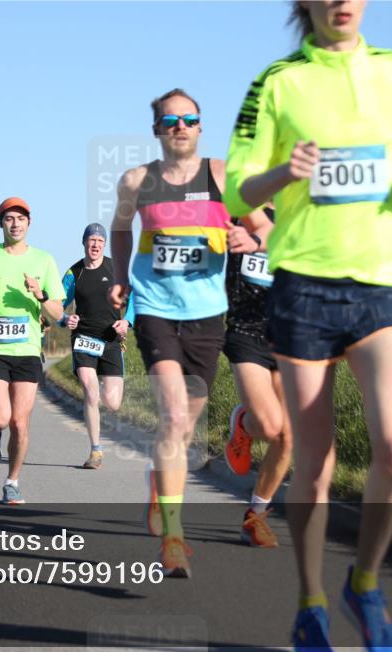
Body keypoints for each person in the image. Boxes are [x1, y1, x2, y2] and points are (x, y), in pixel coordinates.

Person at [225, 2, 392, 652]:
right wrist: (281, 172)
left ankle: (366, 583)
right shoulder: (278, 81)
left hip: (382, 282)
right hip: (305, 286)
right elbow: (237, 188)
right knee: (314, 464)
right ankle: (310, 605)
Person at [109, 88, 231, 577]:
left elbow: (262, 221)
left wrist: (251, 232)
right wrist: (120, 276)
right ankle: (175, 541)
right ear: (157, 129)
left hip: (208, 313)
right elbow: (120, 229)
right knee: (175, 413)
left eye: (189, 119)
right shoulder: (137, 180)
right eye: (170, 120)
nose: (180, 126)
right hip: (156, 308)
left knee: (184, 425)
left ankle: (160, 487)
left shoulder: (223, 175)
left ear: (201, 127)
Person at [0, 197, 65, 505]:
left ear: (29, 224)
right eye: (9, 219)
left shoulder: (44, 261)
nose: (15, 223)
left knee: (20, 422)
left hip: (28, 348)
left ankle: (12, 481)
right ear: (1, 224)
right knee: (1, 416)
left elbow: (57, 313)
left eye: (21, 218)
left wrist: (41, 294)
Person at [222, 204, 294, 548]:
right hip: (246, 329)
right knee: (268, 426)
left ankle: (255, 516)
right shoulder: (240, 209)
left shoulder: (304, 211)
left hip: (292, 333)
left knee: (288, 436)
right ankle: (244, 421)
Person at [59, 223, 131, 469]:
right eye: (92, 240)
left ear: (105, 245)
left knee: (112, 403)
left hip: (111, 339)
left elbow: (135, 299)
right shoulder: (74, 273)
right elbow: (58, 304)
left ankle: (100, 387)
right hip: (84, 339)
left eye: (100, 241)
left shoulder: (116, 269)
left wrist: (127, 320)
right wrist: (64, 319)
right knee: (90, 391)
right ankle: (96, 450)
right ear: (84, 243)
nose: (96, 245)